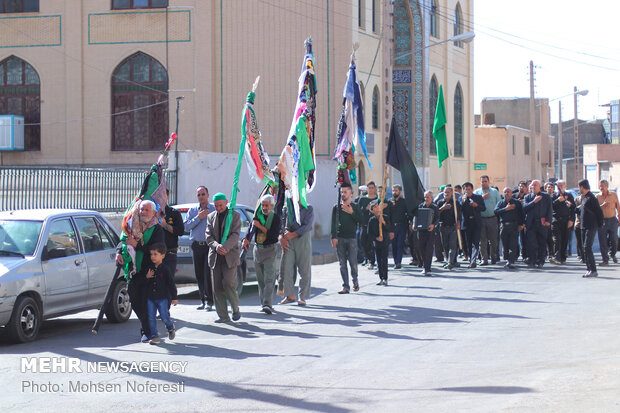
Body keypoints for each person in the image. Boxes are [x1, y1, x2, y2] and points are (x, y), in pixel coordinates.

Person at [115, 199, 165, 343]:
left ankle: (148, 332)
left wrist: (137, 245)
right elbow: (123, 240)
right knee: (134, 299)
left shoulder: (156, 229)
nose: (143, 212)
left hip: (149, 270)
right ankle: (148, 329)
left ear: (153, 212)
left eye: (146, 210)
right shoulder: (132, 224)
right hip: (133, 270)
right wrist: (119, 251)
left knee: (147, 301)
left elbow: (157, 250)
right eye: (141, 209)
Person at [242, 194, 282, 314]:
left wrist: (259, 226)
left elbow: (273, 235)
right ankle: (263, 303)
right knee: (260, 280)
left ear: (271, 206)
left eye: (266, 205)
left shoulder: (275, 218)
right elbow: (250, 229)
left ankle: (267, 304)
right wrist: (246, 238)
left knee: (269, 278)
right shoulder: (257, 217)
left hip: (270, 250)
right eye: (263, 205)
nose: (264, 208)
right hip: (258, 250)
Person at [206, 192, 242, 322]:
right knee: (217, 288)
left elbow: (235, 235)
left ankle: (235, 308)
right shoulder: (210, 217)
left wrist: (225, 247)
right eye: (216, 206)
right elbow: (208, 236)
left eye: (220, 205)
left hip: (229, 256)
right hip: (215, 257)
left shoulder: (235, 216)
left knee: (229, 284)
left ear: (226, 202)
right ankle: (223, 315)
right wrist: (216, 246)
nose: (218, 208)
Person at [184, 186, 215, 311]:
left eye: (203, 194)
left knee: (207, 273)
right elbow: (186, 226)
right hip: (197, 245)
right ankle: (202, 300)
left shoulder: (213, 209)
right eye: (199, 195)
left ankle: (210, 300)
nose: (201, 197)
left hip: (209, 245)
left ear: (208, 195)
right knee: (199, 274)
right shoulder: (192, 210)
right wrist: (199, 218)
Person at [279, 200, 314, 306]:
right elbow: (281, 224)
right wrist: (281, 237)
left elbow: (306, 226)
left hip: (302, 238)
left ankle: (302, 296)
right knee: (287, 267)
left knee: (304, 268)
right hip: (288, 239)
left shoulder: (308, 208)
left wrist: (293, 234)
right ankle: (289, 295)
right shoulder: (286, 208)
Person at [331, 183, 363, 294]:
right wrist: (333, 237)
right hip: (340, 238)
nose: (343, 194)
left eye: (345, 192)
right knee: (342, 263)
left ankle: (355, 280)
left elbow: (361, 221)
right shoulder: (337, 207)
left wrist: (352, 213)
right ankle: (346, 286)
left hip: (352, 239)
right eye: (342, 192)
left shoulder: (355, 206)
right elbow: (333, 223)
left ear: (350, 193)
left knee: (353, 262)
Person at [145, 243, 178, 345]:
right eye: (151, 254)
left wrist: (174, 297)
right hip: (151, 298)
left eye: (155, 254)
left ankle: (170, 326)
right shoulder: (149, 268)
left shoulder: (165, 269)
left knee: (164, 316)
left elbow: (171, 284)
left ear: (162, 256)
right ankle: (154, 336)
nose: (153, 257)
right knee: (151, 317)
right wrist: (147, 277)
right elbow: (144, 284)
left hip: (162, 298)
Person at [522, 180, 553, 268]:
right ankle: (532, 260)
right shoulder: (527, 197)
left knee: (542, 243)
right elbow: (524, 208)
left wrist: (548, 220)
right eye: (532, 186)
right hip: (531, 223)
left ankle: (540, 261)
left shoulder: (546, 196)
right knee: (531, 243)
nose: (533, 187)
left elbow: (549, 209)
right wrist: (534, 202)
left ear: (539, 187)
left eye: (535, 185)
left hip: (542, 223)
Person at [494, 187, 525, 269]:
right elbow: (496, 211)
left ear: (511, 193)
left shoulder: (517, 203)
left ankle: (511, 260)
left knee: (513, 243)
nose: (507, 194)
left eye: (508, 192)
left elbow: (521, 214)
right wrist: (506, 209)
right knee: (505, 243)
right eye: (505, 192)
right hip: (504, 226)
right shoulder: (500, 203)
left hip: (514, 225)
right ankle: (507, 258)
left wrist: (521, 224)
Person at [474, 175, 502, 265]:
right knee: (482, 241)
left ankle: (493, 257)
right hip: (481, 219)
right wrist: (482, 198)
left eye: (485, 181)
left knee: (493, 240)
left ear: (489, 182)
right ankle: (484, 259)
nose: (484, 183)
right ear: (480, 182)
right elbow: (473, 204)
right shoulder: (477, 192)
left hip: (492, 218)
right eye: (482, 181)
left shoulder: (494, 192)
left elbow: (499, 204)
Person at [579, 179, 604, 277]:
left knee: (587, 247)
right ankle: (589, 269)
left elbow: (599, 212)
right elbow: (582, 212)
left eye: (579, 187)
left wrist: (600, 224)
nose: (579, 189)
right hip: (583, 226)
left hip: (591, 226)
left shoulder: (592, 198)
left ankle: (593, 270)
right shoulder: (584, 198)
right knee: (584, 249)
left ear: (582, 187)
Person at [460, 182, 486, 268]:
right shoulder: (461, 199)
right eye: (465, 189)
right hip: (467, 224)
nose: (467, 191)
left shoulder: (478, 197)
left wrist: (476, 205)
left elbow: (483, 208)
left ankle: (473, 260)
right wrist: (463, 201)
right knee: (468, 243)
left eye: (469, 189)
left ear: (472, 189)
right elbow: (459, 210)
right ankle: (471, 259)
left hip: (476, 222)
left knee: (475, 242)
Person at [414, 191, 440, 276]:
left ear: (432, 198)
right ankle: (424, 265)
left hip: (430, 231)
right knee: (421, 248)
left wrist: (433, 225)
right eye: (425, 197)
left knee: (429, 249)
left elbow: (437, 219)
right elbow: (416, 216)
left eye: (428, 197)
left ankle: (427, 268)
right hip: (421, 231)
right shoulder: (420, 206)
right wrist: (415, 224)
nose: (426, 199)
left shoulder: (435, 207)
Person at [161, 188, 185, 279]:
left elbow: (180, 231)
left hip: (169, 253)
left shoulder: (174, 213)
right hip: (156, 254)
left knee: (168, 281)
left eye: (163, 195)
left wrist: (165, 225)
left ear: (167, 197)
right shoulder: (153, 213)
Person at [367, 200, 392, 285]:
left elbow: (389, 228)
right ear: (372, 211)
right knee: (379, 260)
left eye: (377, 206)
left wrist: (383, 222)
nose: (377, 208)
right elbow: (369, 233)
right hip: (377, 243)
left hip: (385, 242)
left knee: (384, 260)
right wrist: (376, 238)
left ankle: (385, 278)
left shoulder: (385, 216)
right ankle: (381, 278)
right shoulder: (371, 220)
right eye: (374, 207)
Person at [550, 180, 575, 265]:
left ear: (565, 186)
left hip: (566, 220)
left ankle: (562, 257)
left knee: (564, 239)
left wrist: (571, 220)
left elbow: (573, 208)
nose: (559, 187)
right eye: (558, 185)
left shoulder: (569, 196)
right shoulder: (553, 196)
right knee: (557, 239)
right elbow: (550, 206)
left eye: (561, 185)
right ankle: (556, 256)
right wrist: (557, 200)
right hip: (556, 220)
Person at [436, 185, 460, 270]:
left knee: (452, 245)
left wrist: (458, 222)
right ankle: (449, 261)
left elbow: (459, 214)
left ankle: (450, 262)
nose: (446, 194)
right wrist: (443, 208)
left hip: (453, 226)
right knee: (445, 245)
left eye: (448, 192)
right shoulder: (440, 203)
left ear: (452, 193)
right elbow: (436, 214)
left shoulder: (455, 202)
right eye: (445, 192)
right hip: (443, 227)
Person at [596, 179, 619, 265]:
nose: (601, 187)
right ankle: (605, 260)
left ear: (607, 186)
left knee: (614, 240)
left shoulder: (613, 195)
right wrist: (602, 206)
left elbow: (618, 207)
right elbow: (595, 210)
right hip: (602, 221)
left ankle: (612, 254)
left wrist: (619, 218)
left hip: (613, 220)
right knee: (603, 241)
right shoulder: (597, 196)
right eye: (600, 186)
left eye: (603, 186)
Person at [357, 181, 379, 269]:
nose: (370, 190)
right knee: (362, 242)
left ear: (375, 189)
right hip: (364, 224)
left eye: (372, 188)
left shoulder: (378, 199)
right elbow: (357, 211)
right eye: (369, 188)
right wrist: (365, 209)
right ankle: (369, 258)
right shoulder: (363, 199)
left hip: (375, 225)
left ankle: (373, 261)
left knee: (372, 243)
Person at [388, 184, 409, 269]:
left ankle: (398, 262)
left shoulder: (404, 202)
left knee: (400, 244)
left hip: (402, 226)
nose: (394, 192)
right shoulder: (389, 202)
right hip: (393, 226)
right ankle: (395, 261)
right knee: (394, 244)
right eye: (393, 190)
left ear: (400, 192)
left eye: (396, 190)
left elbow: (408, 213)